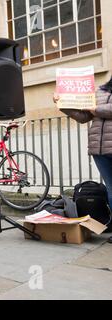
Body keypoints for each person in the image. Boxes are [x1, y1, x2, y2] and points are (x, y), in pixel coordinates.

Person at [54, 77, 112, 243]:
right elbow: (83, 116)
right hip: (99, 149)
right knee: (111, 189)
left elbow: (95, 110)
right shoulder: (99, 91)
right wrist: (62, 104)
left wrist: (95, 108)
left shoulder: (96, 102)